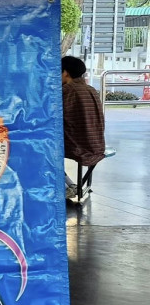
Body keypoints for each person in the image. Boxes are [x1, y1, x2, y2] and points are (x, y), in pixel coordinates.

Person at [61, 55, 105, 198]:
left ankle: (63, 187)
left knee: (43, 148)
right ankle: (70, 185)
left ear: (65, 73)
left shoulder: (66, 91)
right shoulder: (90, 89)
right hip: (97, 144)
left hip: (79, 145)